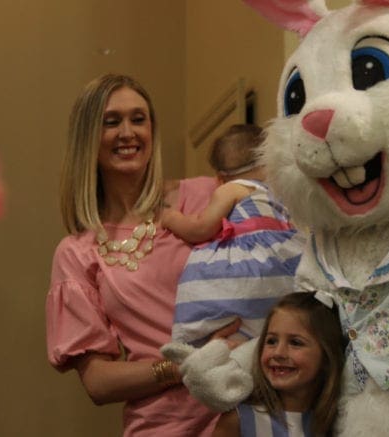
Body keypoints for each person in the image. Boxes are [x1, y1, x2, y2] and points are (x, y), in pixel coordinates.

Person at [45, 73, 233, 436]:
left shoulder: (206, 195)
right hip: (162, 426)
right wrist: (185, 366)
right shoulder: (77, 252)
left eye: (138, 119)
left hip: (244, 412)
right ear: (88, 139)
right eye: (111, 122)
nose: (128, 133)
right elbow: (98, 382)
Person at [162, 124, 304, 347]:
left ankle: (193, 345)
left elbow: (201, 228)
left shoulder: (233, 188)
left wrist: (171, 218)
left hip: (249, 274)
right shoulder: (278, 195)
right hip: (283, 271)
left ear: (220, 177)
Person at [212, 292, 347, 437]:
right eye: (271, 341)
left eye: (295, 343)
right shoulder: (238, 420)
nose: (278, 353)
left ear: (327, 356)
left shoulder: (341, 424)